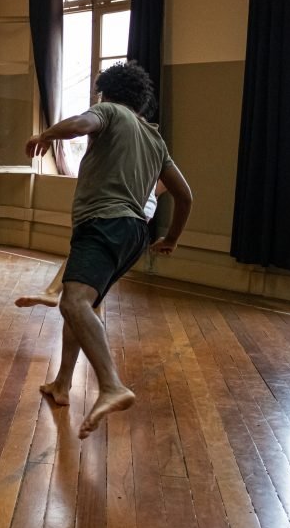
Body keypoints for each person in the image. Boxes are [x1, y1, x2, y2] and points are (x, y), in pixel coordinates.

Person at [22, 62, 192, 439]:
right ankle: (62, 383)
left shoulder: (109, 111)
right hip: (135, 233)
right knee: (84, 305)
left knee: (73, 303)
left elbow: (81, 125)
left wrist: (45, 134)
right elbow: (184, 195)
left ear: (105, 92)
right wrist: (173, 239)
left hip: (103, 223)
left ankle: (112, 385)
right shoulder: (155, 139)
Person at [15, 181, 166, 309]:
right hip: (139, 221)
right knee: (95, 292)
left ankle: (52, 292)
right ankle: (79, 304)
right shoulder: (151, 163)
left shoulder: (143, 159)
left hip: (124, 214)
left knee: (85, 250)